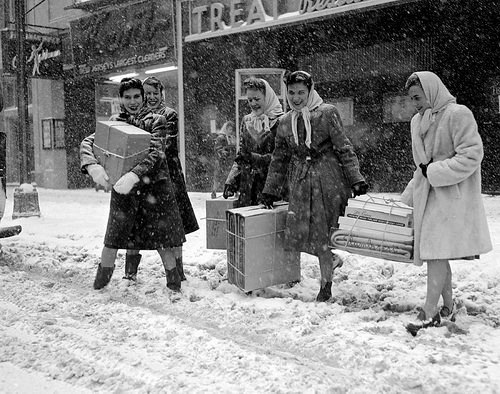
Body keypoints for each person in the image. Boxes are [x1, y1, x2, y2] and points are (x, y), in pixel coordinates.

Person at [260, 71, 368, 302]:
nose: (296, 97)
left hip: (328, 180)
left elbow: (344, 147)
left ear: (310, 91)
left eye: (301, 92)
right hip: (300, 182)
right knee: (303, 234)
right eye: (291, 93)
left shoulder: (327, 113)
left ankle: (326, 284)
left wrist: (356, 178)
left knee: (322, 233)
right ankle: (331, 259)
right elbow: (279, 158)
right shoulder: (285, 121)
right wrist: (270, 189)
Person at [401, 71, 492, 335]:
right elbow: (422, 168)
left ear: (431, 91)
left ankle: (430, 312)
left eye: (418, 97)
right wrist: (407, 197)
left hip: (452, 198)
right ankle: (448, 306)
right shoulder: (417, 122)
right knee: (435, 253)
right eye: (411, 99)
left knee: (434, 252)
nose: (415, 103)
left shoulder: (457, 114)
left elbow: (473, 154)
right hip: (429, 198)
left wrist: (437, 172)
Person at [80, 77, 186, 291]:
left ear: (143, 96)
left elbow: (156, 153)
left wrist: (134, 175)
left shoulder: (157, 120)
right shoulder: (115, 121)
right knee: (113, 237)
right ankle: (102, 282)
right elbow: (89, 141)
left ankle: (174, 283)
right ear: (120, 99)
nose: (133, 101)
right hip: (123, 190)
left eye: (136, 96)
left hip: (154, 188)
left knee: (162, 238)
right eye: (127, 97)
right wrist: (93, 166)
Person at [141, 76, 199, 281]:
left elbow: (163, 145)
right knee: (154, 225)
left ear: (161, 94)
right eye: (147, 93)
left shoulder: (169, 115)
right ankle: (138, 271)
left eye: (155, 93)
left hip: (169, 175)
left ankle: (178, 271)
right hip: (148, 177)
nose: (151, 97)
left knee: (175, 224)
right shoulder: (139, 115)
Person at [223, 77, 285, 206]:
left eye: (257, 99)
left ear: (267, 97)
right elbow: (241, 155)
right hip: (248, 186)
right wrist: (231, 181)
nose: (253, 103)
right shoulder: (247, 121)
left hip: (272, 187)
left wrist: (254, 158)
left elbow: (281, 159)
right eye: (250, 100)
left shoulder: (281, 121)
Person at [211, 120, 236, 199]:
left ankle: (225, 191)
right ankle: (214, 192)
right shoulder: (221, 137)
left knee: (225, 176)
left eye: (232, 130)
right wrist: (223, 152)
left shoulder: (230, 137)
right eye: (230, 130)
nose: (231, 132)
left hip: (226, 161)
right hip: (221, 161)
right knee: (218, 177)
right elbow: (218, 148)